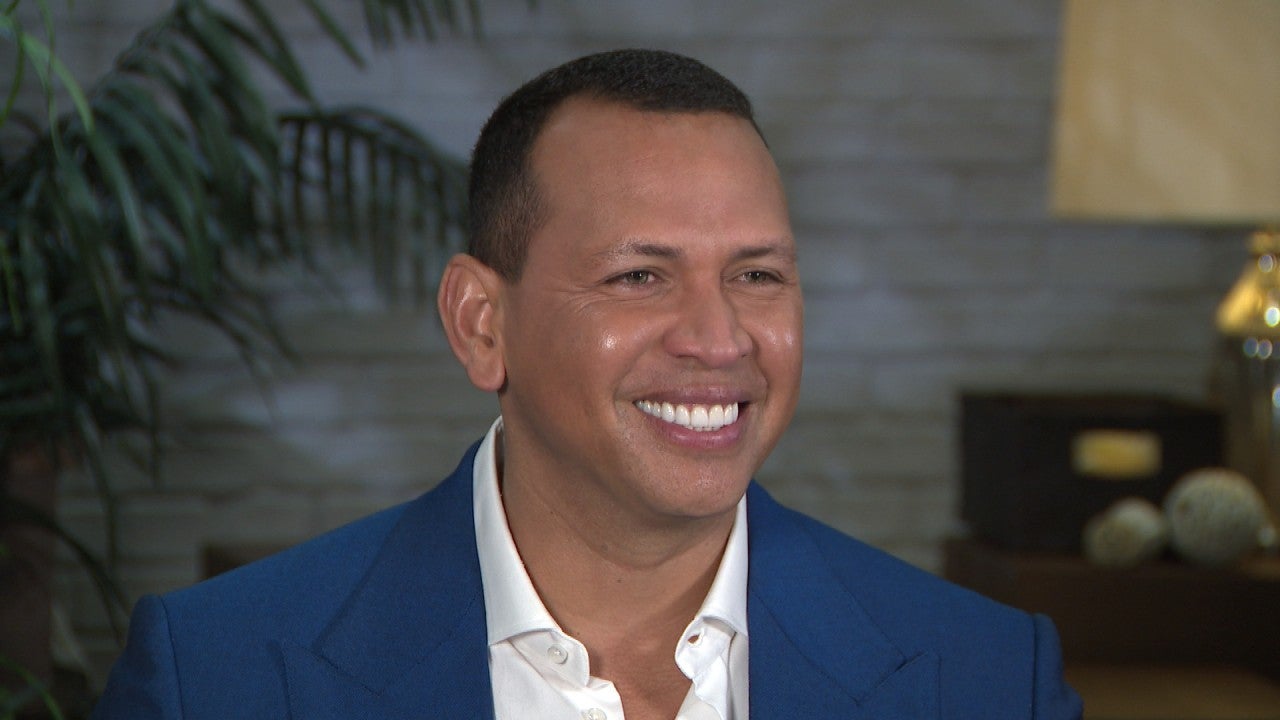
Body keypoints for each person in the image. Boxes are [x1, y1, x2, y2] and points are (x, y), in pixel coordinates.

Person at [92, 49, 1082, 719]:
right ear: (481, 324)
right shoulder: (214, 678)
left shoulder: (990, 680)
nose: (718, 339)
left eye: (756, 275)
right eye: (639, 277)